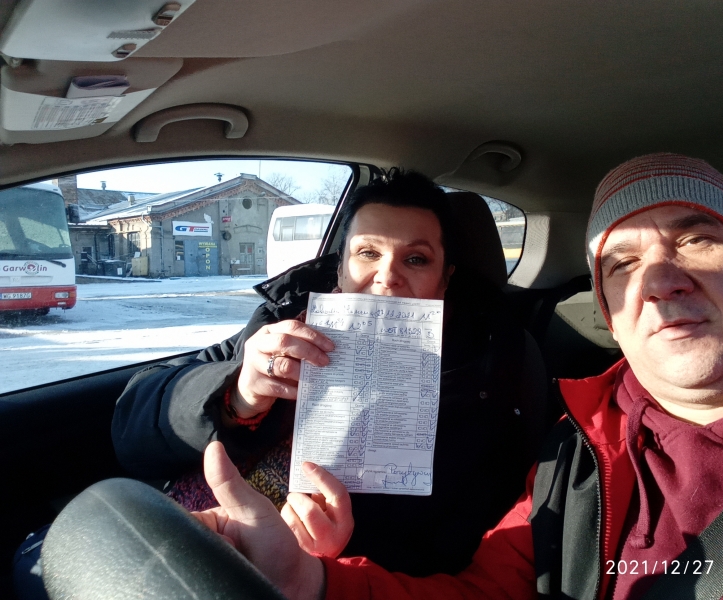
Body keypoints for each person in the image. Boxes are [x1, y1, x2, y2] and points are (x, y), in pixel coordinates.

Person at [189, 153, 723, 599]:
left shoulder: (509, 383)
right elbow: (490, 590)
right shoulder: (580, 449)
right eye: (623, 263)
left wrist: (329, 562)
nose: (661, 281)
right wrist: (307, 579)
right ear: (612, 315)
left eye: (695, 240)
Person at [111, 168, 549, 575]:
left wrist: (325, 562)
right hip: (173, 539)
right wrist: (237, 394)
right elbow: (131, 425)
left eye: (416, 259)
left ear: (445, 278)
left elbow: (460, 554)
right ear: (340, 266)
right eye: (368, 252)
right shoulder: (282, 320)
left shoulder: (492, 376)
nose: (387, 276)